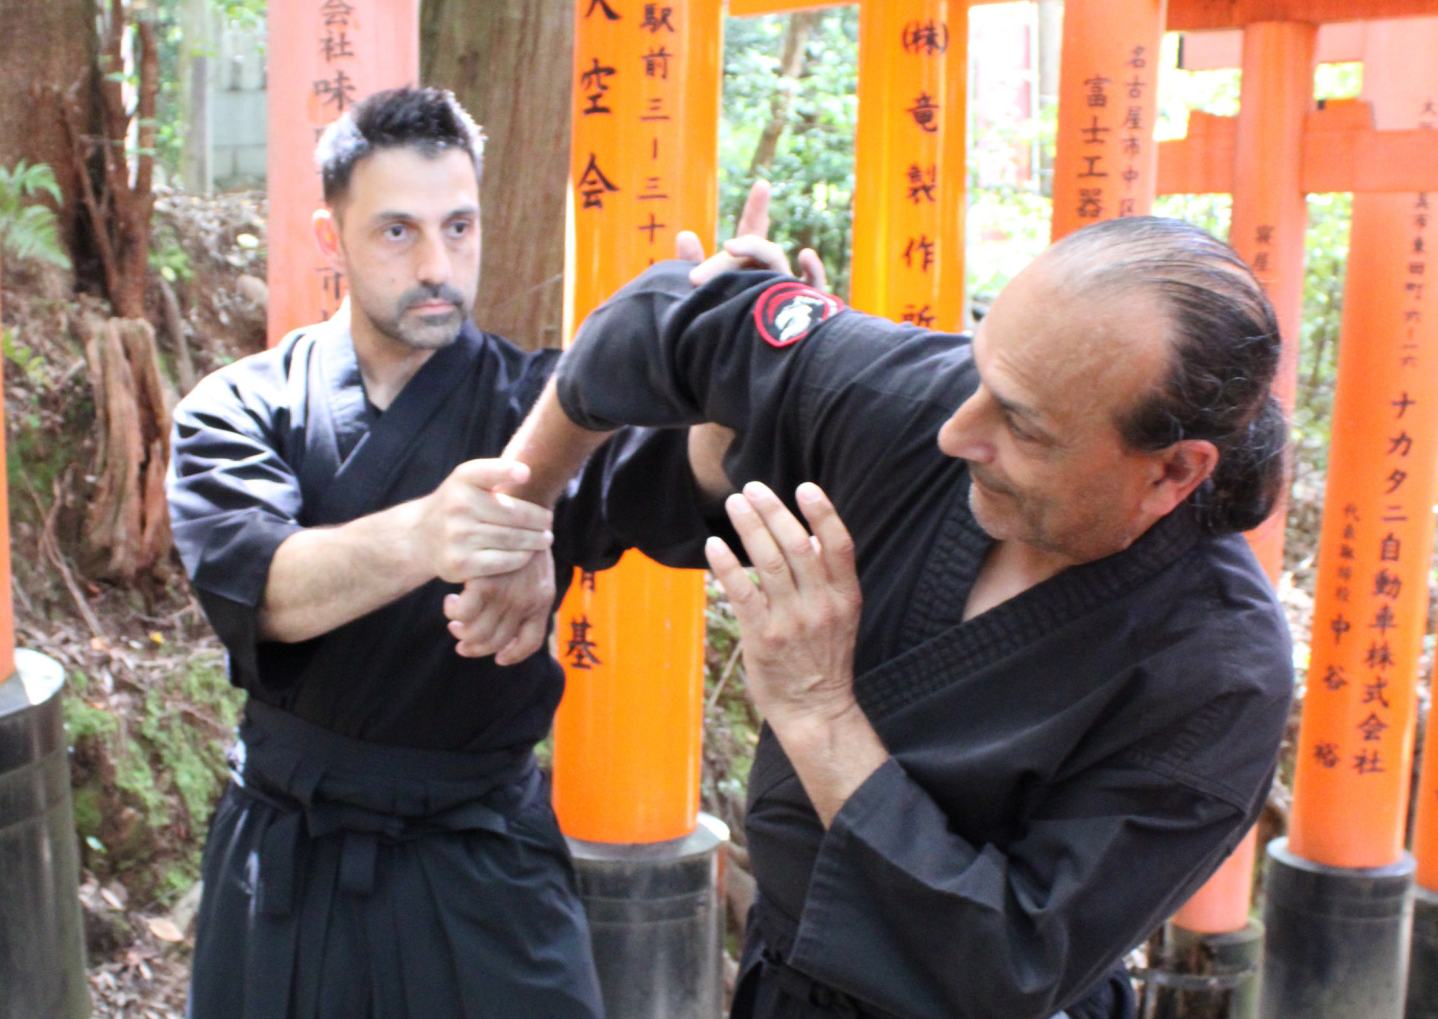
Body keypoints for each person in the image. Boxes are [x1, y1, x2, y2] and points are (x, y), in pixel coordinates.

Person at [478, 212, 1295, 1019]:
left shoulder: (1219, 673)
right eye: (980, 373)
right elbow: (663, 314)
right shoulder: (915, 394)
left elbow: (1011, 963)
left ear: (1173, 471)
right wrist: (525, 510)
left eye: (1021, 426)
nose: (957, 431)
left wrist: (817, 713)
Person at [165, 86, 698, 1019]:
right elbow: (267, 593)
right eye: (397, 232)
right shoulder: (241, 407)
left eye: (459, 227)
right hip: (294, 858)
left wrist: (739, 352)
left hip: (481, 858)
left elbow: (686, 472)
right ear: (331, 239)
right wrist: (427, 532)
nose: (436, 267)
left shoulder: (540, 408)